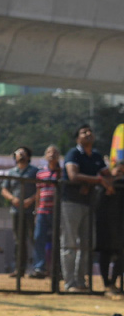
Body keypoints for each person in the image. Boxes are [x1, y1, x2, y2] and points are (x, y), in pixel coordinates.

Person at [61, 124, 112, 293]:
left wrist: (107, 181)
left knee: (87, 244)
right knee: (69, 243)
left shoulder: (96, 155)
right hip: (71, 203)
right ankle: (70, 283)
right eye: (84, 132)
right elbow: (72, 175)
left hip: (89, 204)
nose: (88, 133)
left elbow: (108, 175)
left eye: (90, 131)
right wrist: (97, 181)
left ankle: (81, 282)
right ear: (78, 138)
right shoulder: (73, 153)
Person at [0, 146, 37, 278]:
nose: (20, 155)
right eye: (18, 153)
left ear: (28, 156)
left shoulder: (34, 171)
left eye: (23, 153)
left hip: (32, 211)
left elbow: (40, 188)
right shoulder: (12, 172)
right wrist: (12, 199)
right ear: (14, 157)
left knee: (34, 238)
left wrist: (31, 200)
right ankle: (19, 269)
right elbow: (4, 189)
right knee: (18, 240)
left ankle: (38, 269)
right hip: (16, 210)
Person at [95, 156, 124, 297]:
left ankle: (113, 282)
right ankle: (107, 284)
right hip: (105, 225)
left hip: (120, 226)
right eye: (118, 172)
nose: (120, 176)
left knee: (121, 254)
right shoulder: (104, 186)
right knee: (105, 253)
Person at [31, 145, 61, 279]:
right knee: (39, 238)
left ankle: (57, 269)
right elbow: (38, 192)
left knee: (58, 240)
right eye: (49, 152)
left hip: (57, 211)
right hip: (42, 211)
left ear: (58, 156)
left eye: (54, 152)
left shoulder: (62, 172)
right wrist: (36, 211)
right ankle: (39, 267)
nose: (52, 154)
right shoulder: (40, 173)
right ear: (45, 155)